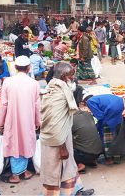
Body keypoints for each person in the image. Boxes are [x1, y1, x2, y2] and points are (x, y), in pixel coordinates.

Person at [40, 62, 94, 196]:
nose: (74, 77)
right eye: (72, 74)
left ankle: (76, 191)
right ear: (64, 77)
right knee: (56, 172)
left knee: (69, 167)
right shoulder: (58, 95)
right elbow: (55, 124)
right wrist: (62, 147)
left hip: (62, 138)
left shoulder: (58, 88)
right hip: (57, 141)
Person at [0, 56, 40, 183]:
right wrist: (38, 122)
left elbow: (3, 104)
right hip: (28, 119)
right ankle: (24, 171)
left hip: (12, 119)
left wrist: (0, 122)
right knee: (25, 141)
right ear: (28, 68)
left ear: (15, 67)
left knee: (14, 143)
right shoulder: (34, 83)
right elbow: (37, 105)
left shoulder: (8, 82)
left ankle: (16, 175)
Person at [81, 93, 125, 166]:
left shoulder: (89, 101)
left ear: (85, 101)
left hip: (112, 110)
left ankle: (109, 159)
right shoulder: (100, 98)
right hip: (123, 105)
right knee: (124, 130)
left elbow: (100, 116)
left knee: (105, 130)